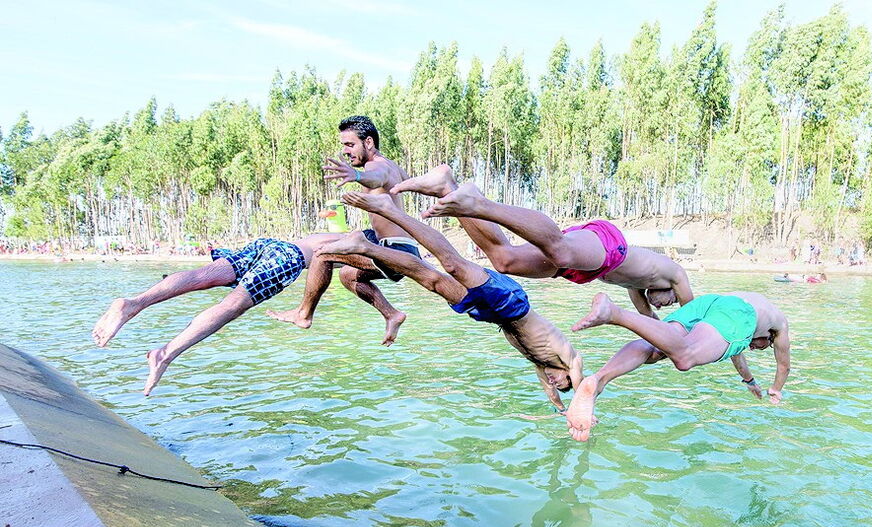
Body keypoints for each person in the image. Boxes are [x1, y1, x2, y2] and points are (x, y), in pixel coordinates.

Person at [316, 191, 584, 410]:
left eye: (556, 384)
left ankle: (365, 246)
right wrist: (580, 407)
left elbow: (552, 396)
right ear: (567, 374)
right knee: (452, 264)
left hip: (491, 316)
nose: (553, 381)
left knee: (431, 280)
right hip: (512, 303)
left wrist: (562, 411)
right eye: (561, 381)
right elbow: (581, 381)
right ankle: (390, 210)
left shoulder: (540, 365)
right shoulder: (567, 356)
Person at [390, 165, 693, 318]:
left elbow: (652, 322)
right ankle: (480, 204)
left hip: (585, 268)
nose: (663, 306)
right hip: (610, 246)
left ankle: (447, 186)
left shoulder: (639, 287)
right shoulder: (674, 272)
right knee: (559, 251)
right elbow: (694, 317)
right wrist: (740, 358)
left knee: (504, 260)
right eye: (670, 303)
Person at [93, 237, 324, 395]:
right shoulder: (359, 239)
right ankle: (164, 355)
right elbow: (332, 261)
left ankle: (133, 303)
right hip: (290, 258)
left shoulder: (342, 231)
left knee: (203, 276)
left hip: (272, 244)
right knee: (233, 305)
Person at [266, 116, 420, 346]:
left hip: (393, 250)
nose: (346, 151)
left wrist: (356, 175)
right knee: (347, 275)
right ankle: (392, 314)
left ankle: (304, 314)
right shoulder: (391, 165)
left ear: (368, 142)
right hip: (396, 245)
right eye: (343, 145)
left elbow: (375, 177)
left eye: (350, 145)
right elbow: (409, 182)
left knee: (324, 253)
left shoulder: (375, 165)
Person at [562, 291, 791, 441]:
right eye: (762, 347)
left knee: (654, 349)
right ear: (769, 338)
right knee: (685, 357)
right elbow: (783, 366)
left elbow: (735, 353)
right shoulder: (778, 324)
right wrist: (776, 389)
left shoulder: (755, 309)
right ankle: (614, 313)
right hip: (739, 313)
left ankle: (597, 380)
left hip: (711, 303)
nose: (753, 348)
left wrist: (749, 381)